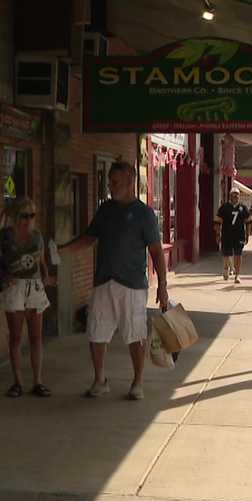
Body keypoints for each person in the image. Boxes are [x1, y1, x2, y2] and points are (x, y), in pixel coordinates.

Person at [59, 161, 169, 401]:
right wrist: (63, 251)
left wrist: (163, 285)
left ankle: (137, 382)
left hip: (132, 285)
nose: (111, 187)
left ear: (131, 181)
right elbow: (88, 238)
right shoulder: (105, 210)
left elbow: (157, 252)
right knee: (96, 332)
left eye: (116, 182)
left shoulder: (144, 213)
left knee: (134, 334)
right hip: (103, 282)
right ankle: (100, 380)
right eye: (110, 182)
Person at [0, 198, 54, 398]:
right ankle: (17, 382)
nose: (29, 219)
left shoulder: (37, 237)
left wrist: (46, 276)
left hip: (34, 287)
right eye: (25, 215)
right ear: (16, 216)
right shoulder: (4, 236)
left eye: (32, 215)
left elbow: (42, 262)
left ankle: (38, 381)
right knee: (16, 337)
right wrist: (4, 276)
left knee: (36, 337)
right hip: (15, 287)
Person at [215, 188, 252, 283]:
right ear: (230, 196)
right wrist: (218, 234)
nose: (235, 197)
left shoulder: (243, 208)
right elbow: (217, 222)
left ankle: (237, 275)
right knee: (226, 254)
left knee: (238, 255)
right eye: (233, 195)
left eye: (237, 195)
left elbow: (248, 222)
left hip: (239, 235)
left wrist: (247, 234)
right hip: (227, 234)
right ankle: (225, 268)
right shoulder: (224, 207)